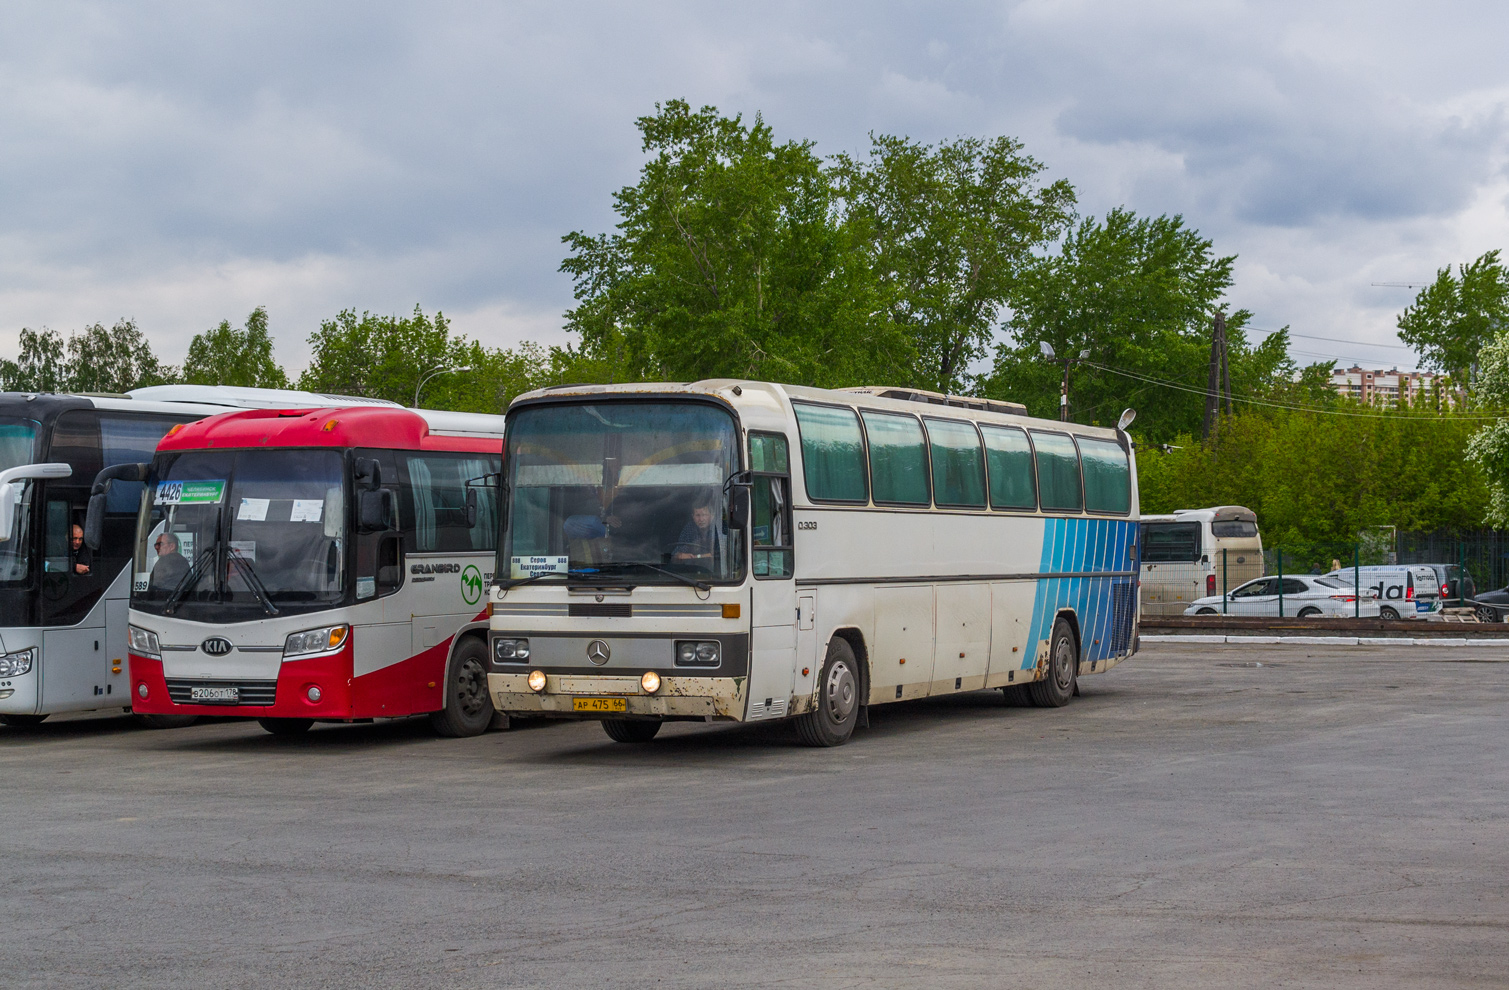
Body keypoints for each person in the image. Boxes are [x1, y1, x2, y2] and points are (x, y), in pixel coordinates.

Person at [673, 495, 722, 566]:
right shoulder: (689, 528)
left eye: (704, 515)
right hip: (691, 572)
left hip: (717, 573)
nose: (701, 519)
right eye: (697, 515)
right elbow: (676, 552)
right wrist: (680, 555)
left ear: (712, 515)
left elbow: (723, 554)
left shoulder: (720, 528)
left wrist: (696, 557)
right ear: (693, 516)